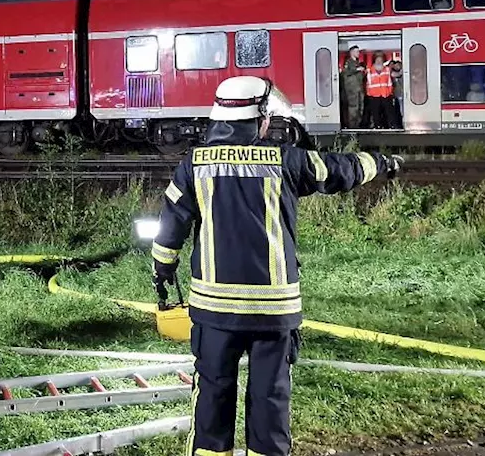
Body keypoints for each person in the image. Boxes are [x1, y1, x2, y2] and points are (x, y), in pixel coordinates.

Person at [151, 76, 401, 456]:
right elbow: (339, 170)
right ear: (261, 119)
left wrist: (163, 270)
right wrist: (381, 163)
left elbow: (170, 225)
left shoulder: (193, 165)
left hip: (215, 311)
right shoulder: (286, 160)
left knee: (213, 396)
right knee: (270, 398)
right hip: (274, 312)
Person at [340, 46, 365, 129]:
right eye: (356, 51)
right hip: (352, 90)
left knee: (360, 108)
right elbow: (346, 73)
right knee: (353, 109)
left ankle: (357, 126)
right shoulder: (348, 63)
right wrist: (357, 69)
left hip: (359, 89)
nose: (358, 53)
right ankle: (352, 127)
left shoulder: (357, 62)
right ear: (352, 52)